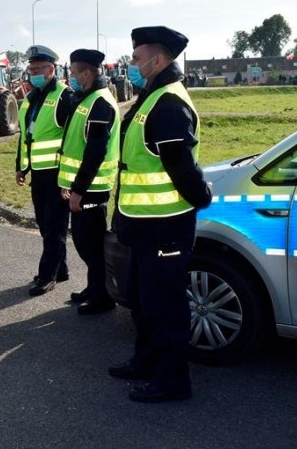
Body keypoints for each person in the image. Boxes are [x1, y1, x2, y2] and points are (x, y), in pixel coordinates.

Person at [108, 26, 212, 403]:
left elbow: (181, 166)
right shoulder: (151, 95)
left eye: (137, 58)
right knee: (142, 298)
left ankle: (172, 381)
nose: (132, 64)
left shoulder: (168, 103)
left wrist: (201, 198)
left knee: (165, 305)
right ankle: (147, 360)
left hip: (166, 226)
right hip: (142, 224)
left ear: (159, 58)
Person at [57, 49, 120, 315]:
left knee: (91, 245)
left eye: (73, 72)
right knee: (85, 243)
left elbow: (95, 152)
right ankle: (94, 287)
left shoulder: (100, 103)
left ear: (86, 73)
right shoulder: (88, 98)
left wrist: (79, 190)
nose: (70, 77)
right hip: (84, 187)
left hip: (92, 189)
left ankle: (102, 297)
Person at [15, 45, 73, 297]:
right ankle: (61, 269)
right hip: (38, 173)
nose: (34, 73)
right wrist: (21, 166)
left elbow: (73, 139)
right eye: (32, 69)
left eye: (39, 68)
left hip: (57, 173)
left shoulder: (64, 96)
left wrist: (69, 177)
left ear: (52, 70)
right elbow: (25, 137)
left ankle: (47, 275)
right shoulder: (31, 98)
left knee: (54, 227)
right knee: (44, 224)